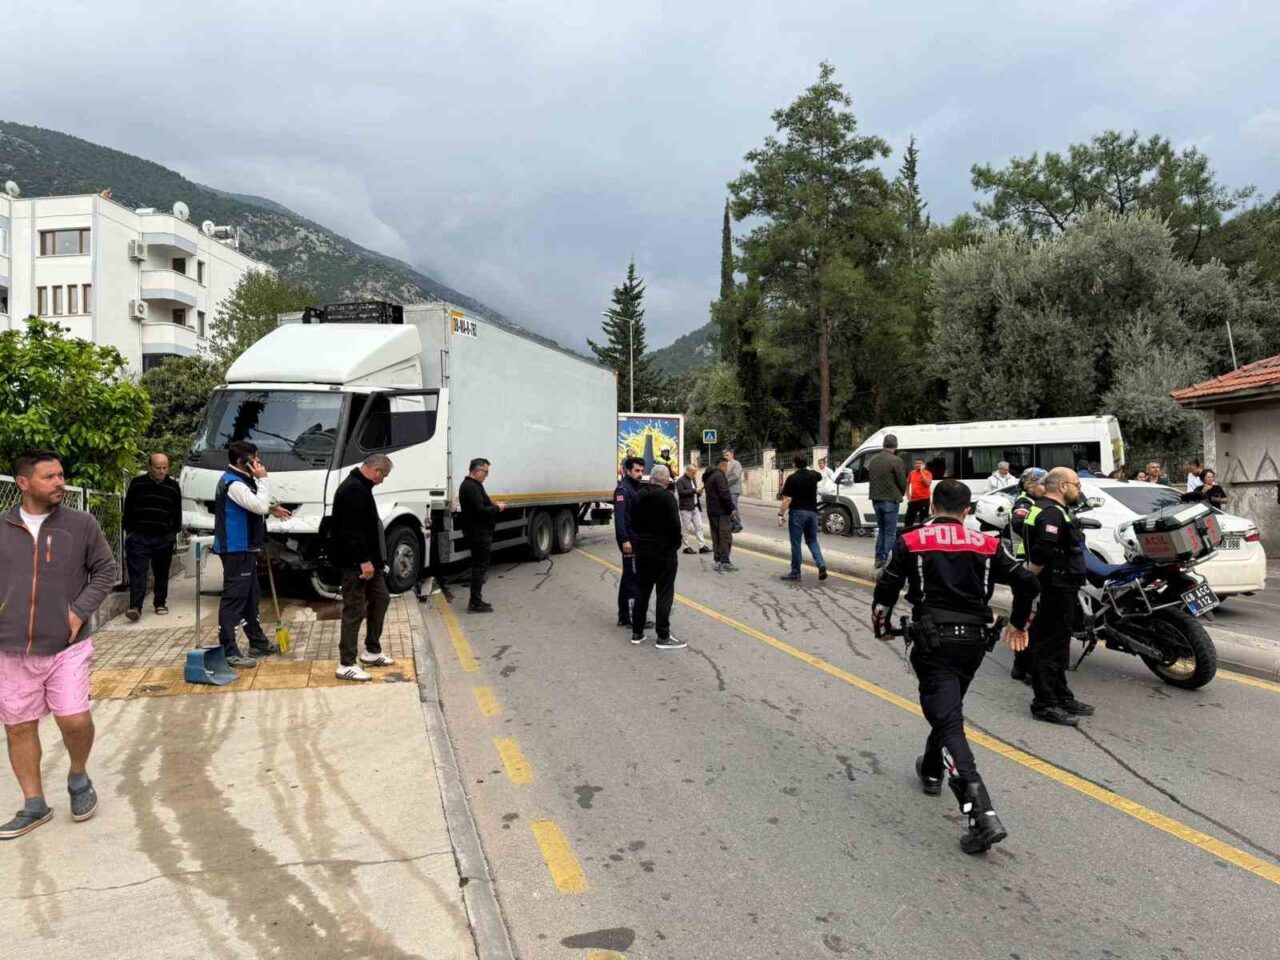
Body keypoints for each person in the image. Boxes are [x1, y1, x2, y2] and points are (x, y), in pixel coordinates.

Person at [872, 479, 1039, 855]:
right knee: (948, 708)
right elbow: (1028, 582)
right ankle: (931, 769)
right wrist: (1018, 624)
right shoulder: (988, 543)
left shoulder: (912, 541)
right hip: (975, 645)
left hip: (933, 643)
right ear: (967, 511)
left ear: (932, 506)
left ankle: (981, 813)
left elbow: (886, 589)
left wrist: (882, 628)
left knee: (948, 719)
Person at [0, 451, 117, 839]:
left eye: (61, 475)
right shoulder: (2, 527)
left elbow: (105, 570)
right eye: (49, 477)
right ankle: (34, 805)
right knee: (18, 727)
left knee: (74, 718)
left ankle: (78, 776)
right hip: (11, 648)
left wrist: (78, 612)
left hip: (67, 645)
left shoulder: (81, 524)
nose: (59, 482)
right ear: (23, 484)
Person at [1024, 467, 1094, 725]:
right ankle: (1044, 703)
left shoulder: (1046, 508)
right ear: (1063, 486)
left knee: (1059, 643)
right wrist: (1030, 581)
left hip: (1061, 586)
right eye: (1077, 484)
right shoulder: (1052, 513)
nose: (1080, 489)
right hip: (1055, 586)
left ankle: (1061, 695)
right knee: (1049, 645)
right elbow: (1043, 550)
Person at [213, 441, 290, 668]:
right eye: (254, 460)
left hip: (247, 548)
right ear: (241, 462)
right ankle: (228, 650)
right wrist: (263, 479)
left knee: (251, 596)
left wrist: (270, 508)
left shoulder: (243, 480)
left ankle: (257, 642)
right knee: (234, 599)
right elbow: (256, 506)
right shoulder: (233, 483)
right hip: (237, 548)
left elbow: (256, 505)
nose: (258, 464)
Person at [331, 454, 395, 681]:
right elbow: (352, 532)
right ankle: (346, 663)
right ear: (375, 470)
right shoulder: (353, 490)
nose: (383, 480)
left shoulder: (361, 487)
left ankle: (371, 651)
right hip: (355, 564)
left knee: (381, 599)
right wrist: (364, 561)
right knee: (355, 609)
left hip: (370, 563)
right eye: (383, 476)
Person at [628, 465, 686, 650]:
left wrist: (639, 542)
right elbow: (676, 526)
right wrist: (675, 545)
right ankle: (663, 636)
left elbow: (632, 521)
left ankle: (637, 632)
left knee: (642, 591)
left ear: (651, 478)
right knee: (664, 593)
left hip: (643, 551)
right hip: (664, 552)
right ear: (666, 480)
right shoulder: (668, 497)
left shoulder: (638, 496)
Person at [122, 452, 182, 621]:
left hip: (163, 537)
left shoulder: (173, 486)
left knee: (161, 572)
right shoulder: (137, 484)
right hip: (139, 537)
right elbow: (128, 510)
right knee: (138, 572)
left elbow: (176, 513)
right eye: (158, 468)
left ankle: (160, 602)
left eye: (164, 468)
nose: (161, 471)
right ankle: (136, 606)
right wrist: (130, 532)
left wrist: (173, 533)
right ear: (150, 467)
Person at [1007, 467, 1047, 685]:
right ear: (1031, 485)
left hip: (1030, 568)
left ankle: (1022, 665)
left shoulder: (1037, 503)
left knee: (1028, 616)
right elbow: (1018, 522)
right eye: (1043, 483)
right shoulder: (1024, 503)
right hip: (1025, 568)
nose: (1046, 487)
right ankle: (1023, 666)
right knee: (1028, 618)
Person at [459, 457, 506, 613]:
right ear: (477, 470)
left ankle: (476, 600)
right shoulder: (471, 487)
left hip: (478, 532)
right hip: (478, 534)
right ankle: (475, 602)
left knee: (479, 567)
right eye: (486, 472)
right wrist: (497, 508)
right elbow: (481, 511)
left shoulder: (473, 486)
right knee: (479, 568)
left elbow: (481, 505)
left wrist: (492, 505)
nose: (487, 475)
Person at [777, 454, 828, 582]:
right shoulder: (814, 475)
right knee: (812, 540)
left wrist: (780, 514)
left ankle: (795, 572)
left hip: (797, 513)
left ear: (794, 464)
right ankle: (821, 564)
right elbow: (819, 475)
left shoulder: (792, 478)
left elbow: (787, 499)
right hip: (812, 513)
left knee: (796, 543)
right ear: (806, 464)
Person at [868, 434, 907, 570]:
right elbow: (902, 481)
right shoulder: (896, 460)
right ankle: (887, 560)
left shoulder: (873, 460)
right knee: (890, 532)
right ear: (895, 446)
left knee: (882, 529)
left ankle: (878, 558)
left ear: (884, 445)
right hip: (891, 499)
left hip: (876, 500)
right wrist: (901, 493)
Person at [705, 456, 738, 572]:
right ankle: (725, 562)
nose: (727, 468)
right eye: (726, 466)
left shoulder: (709, 476)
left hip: (712, 511)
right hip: (721, 512)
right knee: (725, 537)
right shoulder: (719, 476)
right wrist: (732, 508)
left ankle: (718, 561)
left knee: (716, 537)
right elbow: (724, 494)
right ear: (722, 465)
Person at [675, 464, 712, 555]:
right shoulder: (680, 481)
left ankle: (702, 546)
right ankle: (686, 547)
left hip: (695, 507)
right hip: (685, 508)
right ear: (687, 471)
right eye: (692, 473)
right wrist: (694, 490)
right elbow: (681, 492)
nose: (694, 475)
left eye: (695, 473)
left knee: (699, 526)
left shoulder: (693, 479)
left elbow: (694, 493)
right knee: (686, 528)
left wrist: (699, 493)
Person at [904, 458, 933, 529]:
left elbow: (927, 484)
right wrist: (907, 494)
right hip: (913, 500)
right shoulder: (912, 473)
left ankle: (923, 535)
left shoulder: (927, 473)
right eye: (916, 463)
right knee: (908, 519)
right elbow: (907, 483)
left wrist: (921, 472)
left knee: (923, 520)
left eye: (920, 463)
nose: (918, 465)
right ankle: (907, 534)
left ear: (924, 465)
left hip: (924, 499)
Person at [723, 448, 744, 532]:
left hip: (733, 489)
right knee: (730, 507)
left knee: (733, 507)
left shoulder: (736, 464)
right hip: (728, 490)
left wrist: (725, 483)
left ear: (732, 455)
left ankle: (738, 524)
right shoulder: (726, 464)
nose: (725, 456)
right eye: (724, 455)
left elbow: (736, 476)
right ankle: (732, 524)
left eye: (727, 455)